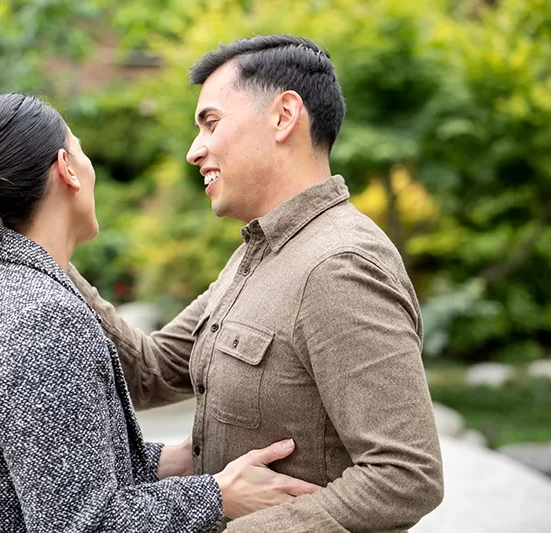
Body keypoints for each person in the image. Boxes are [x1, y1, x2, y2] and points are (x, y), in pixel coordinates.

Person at [62, 35, 445, 532]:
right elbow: (152, 371)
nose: (193, 150)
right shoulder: (255, 253)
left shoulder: (339, 265)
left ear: (284, 115)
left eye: (211, 122)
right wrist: (46, 252)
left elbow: (407, 475)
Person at [0, 92, 319, 533]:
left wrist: (181, 458)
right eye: (81, 149)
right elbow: (85, 523)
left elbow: (54, 469)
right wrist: (219, 494)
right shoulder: (43, 318)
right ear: (67, 168)